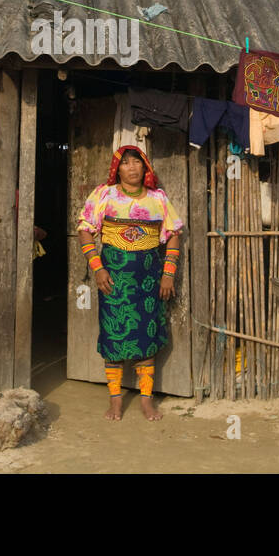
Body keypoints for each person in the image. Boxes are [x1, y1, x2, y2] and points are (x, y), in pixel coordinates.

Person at [76, 145, 183, 421]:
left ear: (145, 168)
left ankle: (146, 401)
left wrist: (168, 273)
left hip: (148, 281)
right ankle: (115, 401)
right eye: (126, 163)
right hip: (113, 279)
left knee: (146, 337)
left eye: (138, 162)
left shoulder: (158, 198)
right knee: (114, 336)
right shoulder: (104, 195)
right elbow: (85, 231)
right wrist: (97, 268)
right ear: (117, 169)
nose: (132, 167)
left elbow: (172, 234)